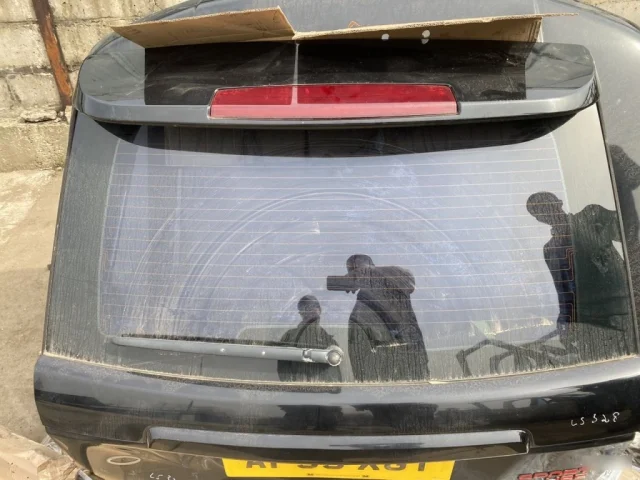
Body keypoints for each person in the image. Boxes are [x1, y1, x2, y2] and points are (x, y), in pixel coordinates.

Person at [526, 192, 633, 359]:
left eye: (547, 206)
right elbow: (563, 293)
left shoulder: (592, 216)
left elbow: (632, 232)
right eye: (539, 211)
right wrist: (564, 325)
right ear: (538, 219)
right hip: (590, 326)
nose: (545, 213)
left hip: (628, 312)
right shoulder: (550, 250)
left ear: (559, 202)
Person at [332, 254, 429, 382]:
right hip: (403, 377)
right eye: (355, 273)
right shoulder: (361, 311)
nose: (360, 275)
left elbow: (409, 281)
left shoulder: (394, 285)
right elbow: (361, 367)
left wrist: (369, 275)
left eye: (361, 271)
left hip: (410, 373)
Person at [277, 295, 343, 431]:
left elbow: (336, 383)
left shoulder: (329, 342)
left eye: (314, 308)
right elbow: (283, 372)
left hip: (322, 405)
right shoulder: (289, 337)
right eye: (307, 309)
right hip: (297, 403)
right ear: (301, 313)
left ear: (320, 310)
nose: (312, 312)